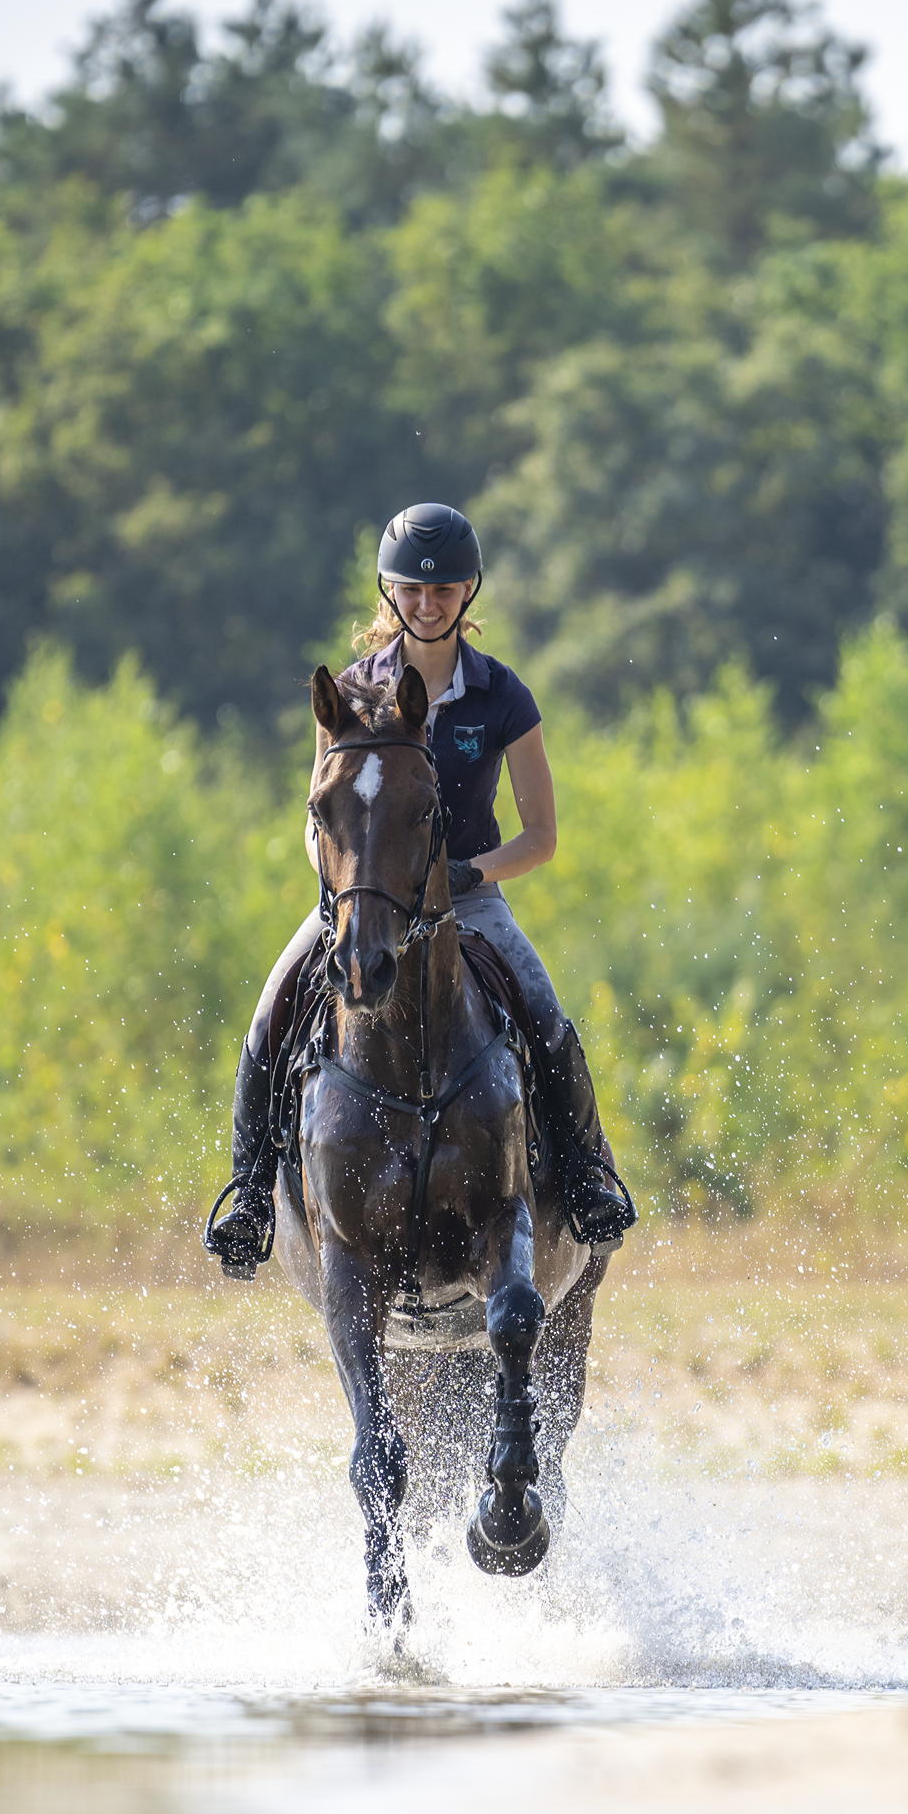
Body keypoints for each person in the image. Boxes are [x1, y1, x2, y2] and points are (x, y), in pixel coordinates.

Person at [202, 502, 637, 1275]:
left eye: (444, 592)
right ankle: (247, 1195)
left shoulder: (503, 698)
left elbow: (542, 837)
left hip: (467, 899)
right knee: (271, 1008)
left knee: (543, 1008)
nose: (427, 605)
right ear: (389, 592)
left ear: (468, 594)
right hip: (361, 902)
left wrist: (469, 874)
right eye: (412, 590)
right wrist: (344, 885)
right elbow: (313, 817)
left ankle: (585, 1178)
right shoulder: (346, 692)